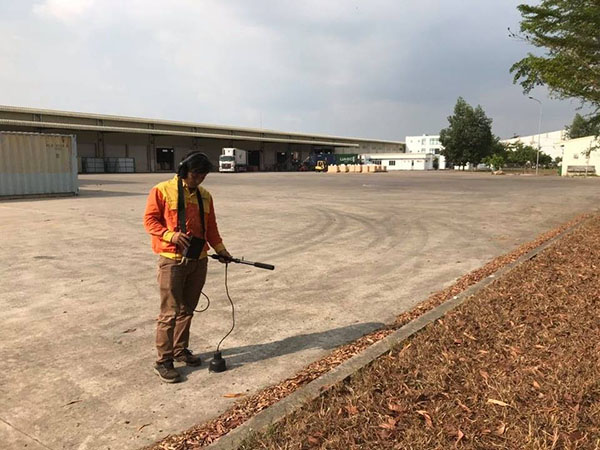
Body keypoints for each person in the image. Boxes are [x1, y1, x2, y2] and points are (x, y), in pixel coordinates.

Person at [143, 152, 232, 383]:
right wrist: (170, 235)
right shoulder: (162, 190)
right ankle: (163, 361)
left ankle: (180, 350)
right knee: (169, 312)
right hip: (172, 260)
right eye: (195, 175)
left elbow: (211, 228)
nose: (199, 179)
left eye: (203, 176)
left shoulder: (205, 196)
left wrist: (221, 250)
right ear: (184, 170)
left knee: (187, 310)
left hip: (198, 260)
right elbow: (150, 220)